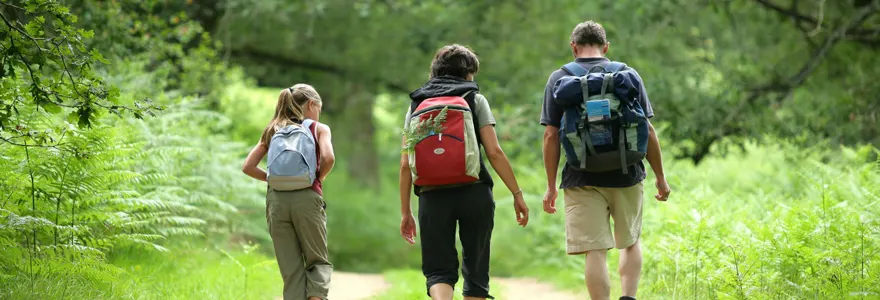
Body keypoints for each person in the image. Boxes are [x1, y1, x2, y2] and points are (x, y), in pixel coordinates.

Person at [540, 21, 672, 300]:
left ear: (573, 47)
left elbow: (551, 136)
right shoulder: (627, 74)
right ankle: (629, 297)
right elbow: (647, 130)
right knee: (630, 241)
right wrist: (660, 177)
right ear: (606, 47)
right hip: (627, 172)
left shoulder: (559, 78)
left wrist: (551, 185)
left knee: (595, 250)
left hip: (581, 175)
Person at [399, 44, 530, 300]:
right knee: (476, 268)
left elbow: (405, 164)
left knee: (438, 270)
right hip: (475, 191)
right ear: (468, 73)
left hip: (432, 194)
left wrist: (406, 212)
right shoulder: (475, 99)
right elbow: (494, 152)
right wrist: (517, 193)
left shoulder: (417, 104)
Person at [242, 84, 335, 300]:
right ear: (312, 104)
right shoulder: (318, 128)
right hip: (307, 197)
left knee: (291, 269)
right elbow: (329, 158)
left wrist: (274, 179)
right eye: (318, 108)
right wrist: (317, 178)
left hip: (277, 202)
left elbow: (248, 166)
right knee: (317, 260)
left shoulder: (273, 129)